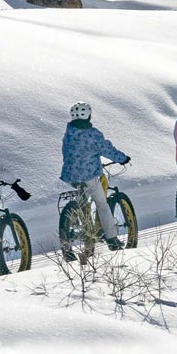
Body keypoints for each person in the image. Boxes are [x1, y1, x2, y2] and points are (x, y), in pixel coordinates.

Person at [59, 102, 131, 249]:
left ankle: (80, 232)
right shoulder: (93, 134)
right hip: (89, 175)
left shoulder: (68, 133)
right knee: (102, 205)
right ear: (88, 115)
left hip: (70, 175)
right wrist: (122, 158)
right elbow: (107, 149)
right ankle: (112, 239)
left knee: (82, 200)